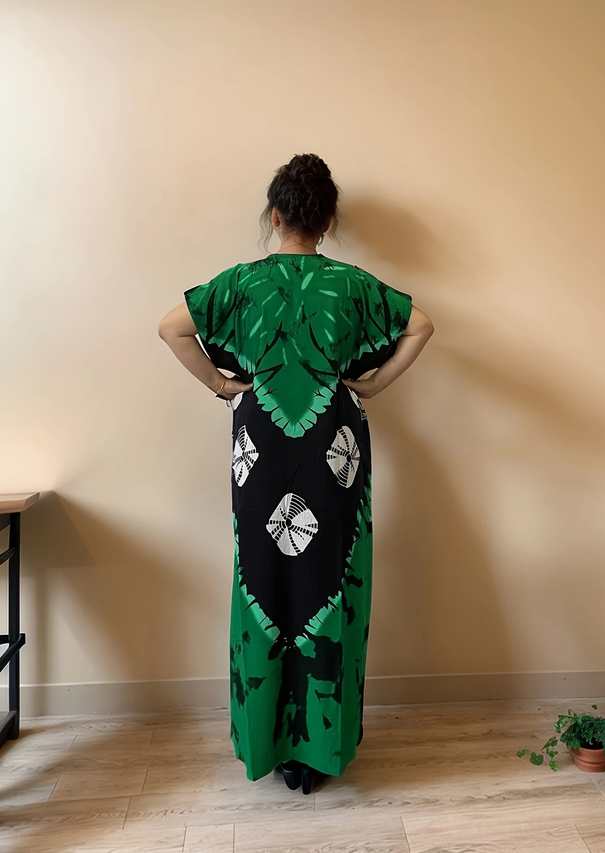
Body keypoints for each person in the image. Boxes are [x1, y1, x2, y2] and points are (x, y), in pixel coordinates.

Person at [159, 153, 434, 794]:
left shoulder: (241, 282)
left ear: (275, 216)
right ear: (328, 221)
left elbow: (171, 328)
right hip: (333, 445)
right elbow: (421, 326)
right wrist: (373, 385)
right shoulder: (352, 284)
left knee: (261, 579)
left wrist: (222, 385)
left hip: (259, 445)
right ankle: (319, 746)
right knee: (329, 579)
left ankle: (269, 740)